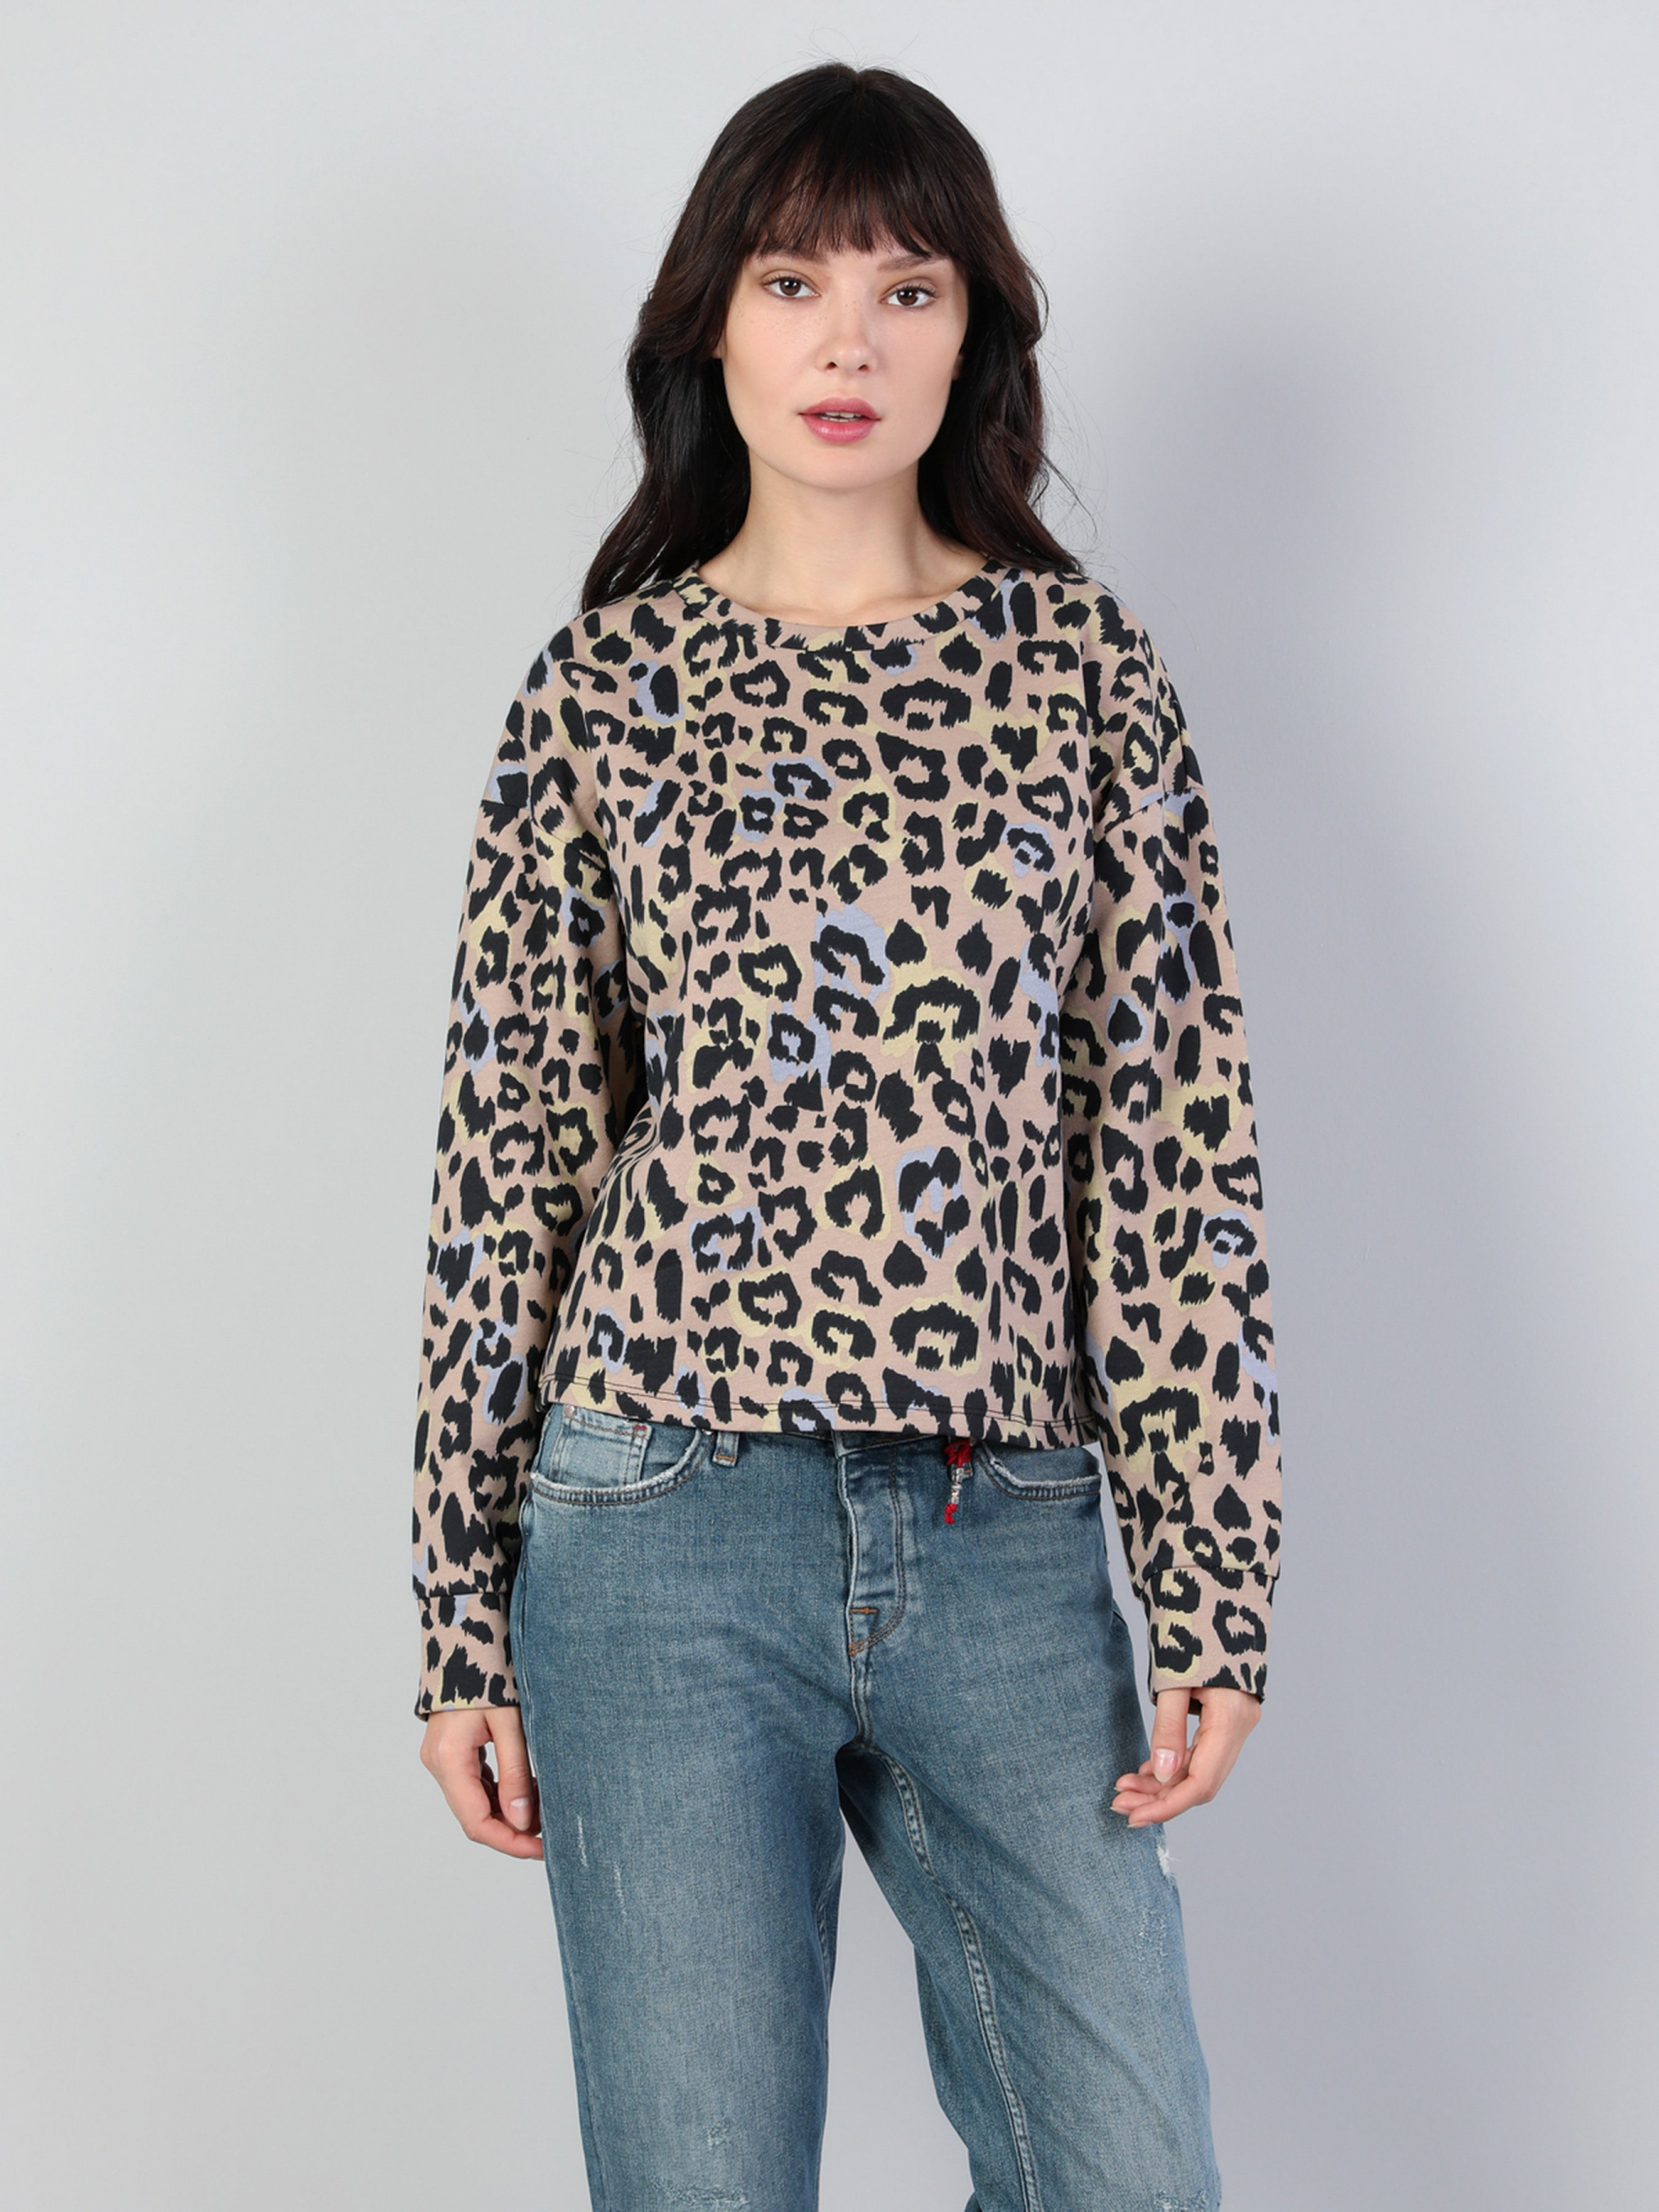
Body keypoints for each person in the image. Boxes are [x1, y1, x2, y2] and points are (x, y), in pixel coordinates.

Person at [411, 60, 1281, 2212]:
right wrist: (453, 1613)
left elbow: (1169, 1144)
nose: (848, 341)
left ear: (975, 331)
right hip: (658, 1519)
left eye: (909, 288)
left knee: (1129, 2173)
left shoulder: (1082, 676)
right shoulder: (601, 692)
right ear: (710, 319)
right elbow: (506, 1165)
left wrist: (1213, 1577)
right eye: (793, 281)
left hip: (1004, 1527)